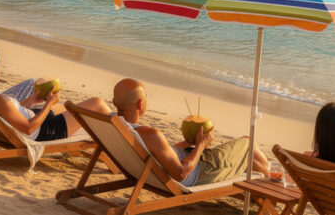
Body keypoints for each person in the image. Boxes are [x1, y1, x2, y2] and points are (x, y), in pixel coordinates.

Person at [112, 78, 269, 186]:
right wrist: (201, 145)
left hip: (179, 163)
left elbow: (160, 154)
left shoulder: (117, 126)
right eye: (146, 96)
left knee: (245, 155)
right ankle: (272, 189)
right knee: (248, 144)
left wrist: (189, 143)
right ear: (140, 104)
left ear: (114, 102)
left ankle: (261, 193)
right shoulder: (151, 134)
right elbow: (180, 174)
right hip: (200, 172)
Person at [0, 47, 110, 142]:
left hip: (33, 116)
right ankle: (125, 133)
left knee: (66, 108)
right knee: (96, 103)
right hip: (44, 130)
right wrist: (49, 103)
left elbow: (6, 113)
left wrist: (30, 101)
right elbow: (29, 128)